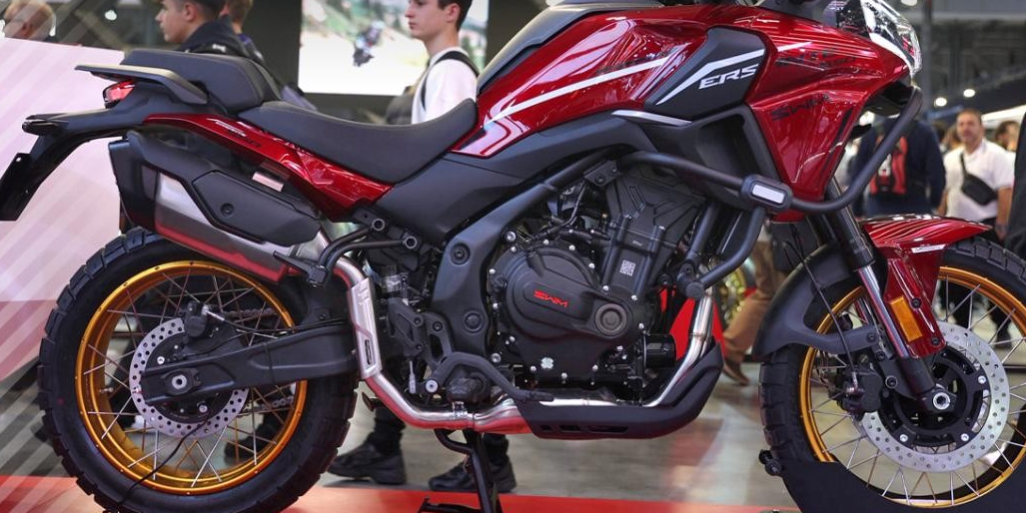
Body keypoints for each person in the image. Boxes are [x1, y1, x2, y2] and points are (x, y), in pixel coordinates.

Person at [328, 0, 517, 494]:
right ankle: (386, 448)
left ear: (451, 11)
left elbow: (449, 163)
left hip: (437, 239)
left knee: (438, 343)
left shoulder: (452, 72)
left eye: (420, 3)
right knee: (401, 340)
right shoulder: (440, 69)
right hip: (435, 236)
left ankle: (489, 459)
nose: (409, 11)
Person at [940, 108, 1015, 339]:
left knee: (994, 281)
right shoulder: (951, 158)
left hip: (987, 227)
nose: (965, 128)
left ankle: (1002, 329)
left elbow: (1005, 191)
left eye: (970, 123)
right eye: (961, 124)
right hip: (955, 227)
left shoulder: (996, 154)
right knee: (956, 282)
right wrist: (939, 218)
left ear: (981, 128)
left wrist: (1002, 225)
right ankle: (963, 328)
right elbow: (945, 192)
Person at [853, 119, 946, 217]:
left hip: (877, 209)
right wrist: (934, 202)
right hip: (915, 207)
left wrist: (857, 210)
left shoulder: (871, 133)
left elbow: (857, 176)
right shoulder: (925, 132)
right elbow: (937, 174)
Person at [156, 0, 248, 57]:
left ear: (188, 11)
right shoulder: (228, 51)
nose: (158, 17)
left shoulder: (203, 61)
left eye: (165, 8)